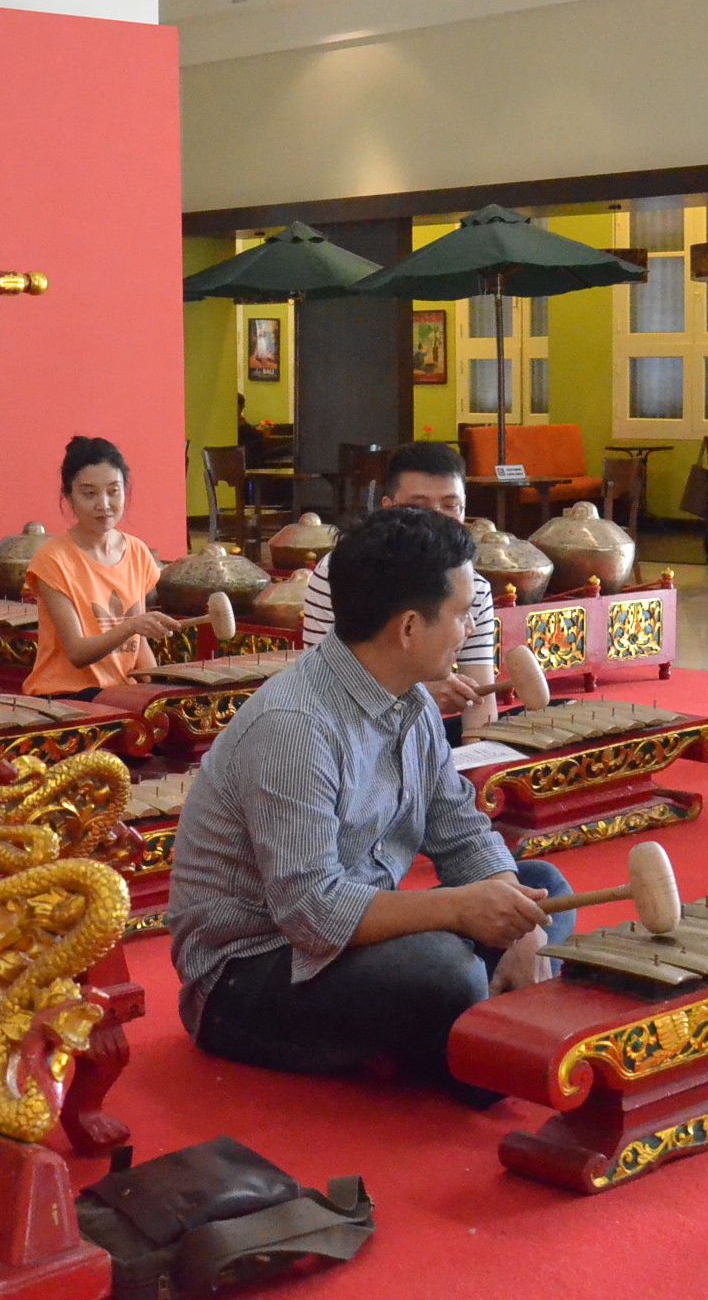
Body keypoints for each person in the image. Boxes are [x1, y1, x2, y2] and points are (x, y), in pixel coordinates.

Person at [167, 507, 574, 1099]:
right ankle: (477, 1035)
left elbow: (460, 833)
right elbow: (312, 911)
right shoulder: (296, 726)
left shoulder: (410, 701)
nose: (469, 630)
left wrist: (521, 930)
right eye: (461, 615)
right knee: (445, 967)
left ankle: (475, 1026)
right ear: (409, 628)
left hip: (347, 941)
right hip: (250, 975)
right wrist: (458, 912)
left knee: (541, 886)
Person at [302, 442, 499, 735]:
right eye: (418, 507)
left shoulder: (473, 587)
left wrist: (479, 765)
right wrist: (413, 690)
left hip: (430, 735)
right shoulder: (343, 571)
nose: (436, 519)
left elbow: (480, 704)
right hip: (345, 729)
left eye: (450, 506)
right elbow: (321, 679)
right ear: (388, 509)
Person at [23, 436, 175, 699]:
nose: (104, 505)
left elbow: (138, 647)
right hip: (66, 694)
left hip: (120, 692)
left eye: (113, 491)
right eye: (89, 493)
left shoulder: (137, 552)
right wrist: (132, 626)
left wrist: (161, 691)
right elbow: (78, 653)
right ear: (70, 498)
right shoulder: (52, 559)